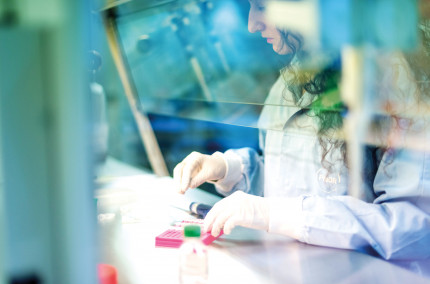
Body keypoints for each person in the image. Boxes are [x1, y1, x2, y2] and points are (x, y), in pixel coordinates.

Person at [173, 0, 430, 265]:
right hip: (294, 267)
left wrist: (282, 215)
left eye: (261, 6)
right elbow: (284, 175)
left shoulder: (397, 79)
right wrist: (226, 168)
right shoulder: (295, 76)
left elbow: (412, 227)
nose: (251, 24)